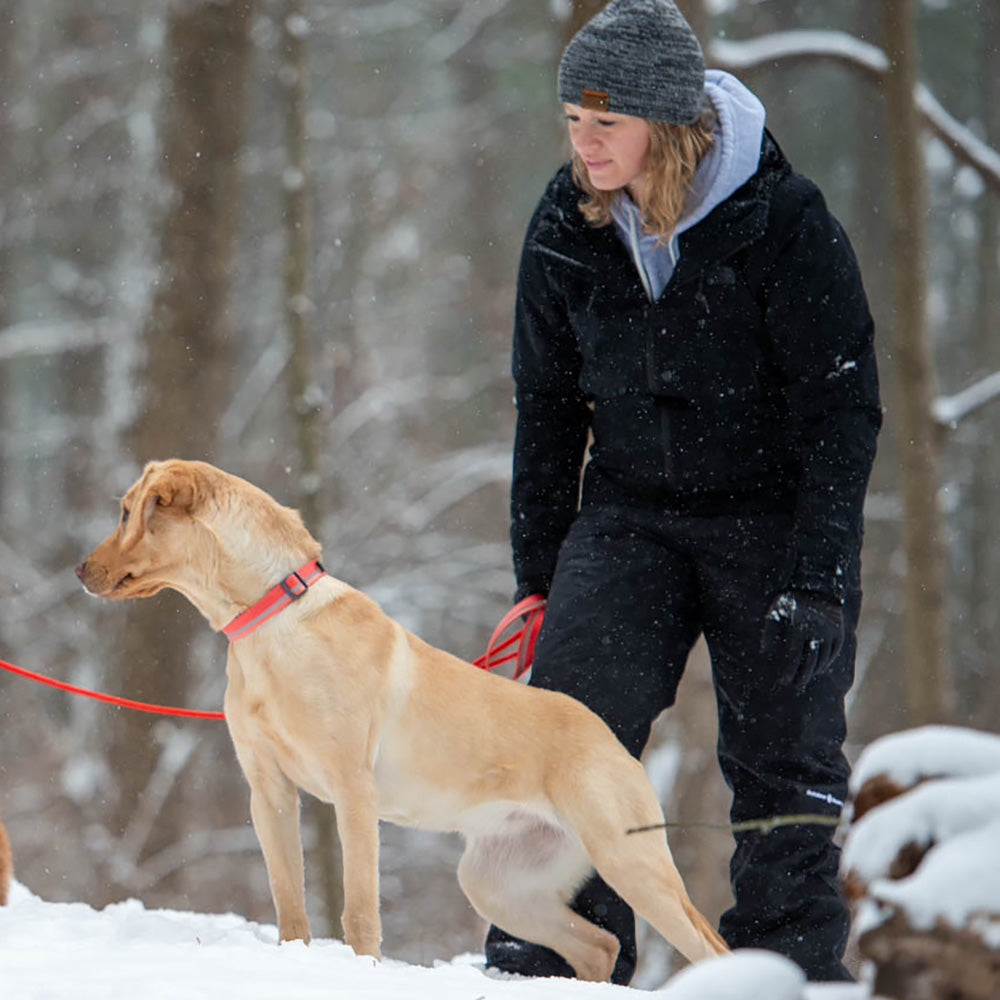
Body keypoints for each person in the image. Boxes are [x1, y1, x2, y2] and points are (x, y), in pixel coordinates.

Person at [484, 0, 881, 985]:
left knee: (784, 763)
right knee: (566, 738)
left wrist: (819, 579)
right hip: (627, 516)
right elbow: (546, 409)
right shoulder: (564, 220)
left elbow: (842, 415)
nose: (584, 143)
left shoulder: (781, 222)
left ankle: (787, 973)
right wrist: (539, 581)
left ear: (664, 123)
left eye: (604, 123)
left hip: (771, 518)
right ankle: (555, 963)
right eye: (571, 119)